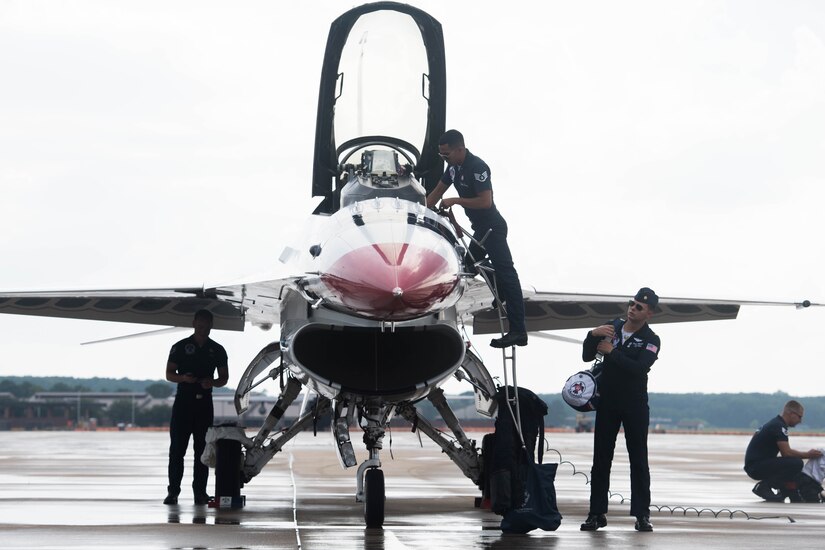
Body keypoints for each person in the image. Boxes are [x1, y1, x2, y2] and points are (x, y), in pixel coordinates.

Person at [425, 129, 527, 348]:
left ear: (460, 149)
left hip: (493, 228)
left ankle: (518, 331)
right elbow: (433, 196)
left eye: (447, 155)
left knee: (509, 275)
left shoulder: (477, 167)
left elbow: (485, 202)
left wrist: (456, 201)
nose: (444, 159)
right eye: (442, 156)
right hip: (481, 230)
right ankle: (498, 285)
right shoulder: (453, 169)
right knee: (470, 266)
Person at [580, 287, 661, 533]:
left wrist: (612, 352)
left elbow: (639, 368)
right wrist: (592, 335)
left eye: (639, 307)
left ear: (649, 313)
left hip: (634, 404)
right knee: (601, 459)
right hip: (608, 403)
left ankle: (641, 515)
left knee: (638, 460)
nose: (632, 309)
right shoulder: (611, 327)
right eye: (631, 303)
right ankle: (596, 513)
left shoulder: (651, 339)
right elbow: (586, 356)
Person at [163, 309, 229, 505]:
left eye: (207, 325)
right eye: (200, 325)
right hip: (183, 402)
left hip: (204, 404)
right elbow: (169, 373)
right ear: (194, 324)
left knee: (203, 451)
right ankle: (173, 492)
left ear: (211, 325)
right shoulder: (181, 346)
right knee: (177, 450)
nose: (203, 329)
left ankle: (199, 492)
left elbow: (224, 378)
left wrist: (213, 382)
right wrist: (183, 378)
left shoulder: (217, 349)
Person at [744, 400, 823, 502]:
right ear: (791, 414)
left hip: (755, 465)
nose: (800, 421)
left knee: (790, 464)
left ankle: (790, 493)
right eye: (799, 416)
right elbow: (786, 453)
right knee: (796, 463)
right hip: (756, 467)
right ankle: (764, 486)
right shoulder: (779, 426)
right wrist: (808, 455)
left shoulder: (775, 423)